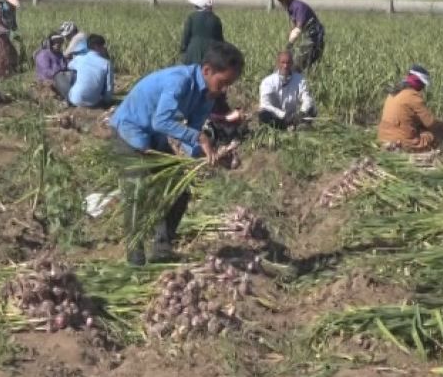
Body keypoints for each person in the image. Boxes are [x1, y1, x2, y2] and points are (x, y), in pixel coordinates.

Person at [109, 41, 245, 266]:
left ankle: (162, 247)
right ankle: (135, 257)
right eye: (222, 83)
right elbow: (161, 120)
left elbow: (193, 141)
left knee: (179, 191)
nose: (224, 90)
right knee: (137, 192)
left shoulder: (206, 97)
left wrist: (212, 157)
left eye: (229, 85)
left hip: (154, 136)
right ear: (207, 70)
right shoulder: (179, 81)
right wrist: (201, 138)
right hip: (130, 130)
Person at [377, 65, 443, 152]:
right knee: (432, 135)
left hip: (383, 137)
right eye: (422, 84)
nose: (423, 88)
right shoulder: (413, 96)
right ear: (418, 82)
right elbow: (430, 123)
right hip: (400, 141)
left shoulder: (393, 92)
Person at [258, 50, 317, 129]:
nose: (285, 66)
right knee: (263, 114)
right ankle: (285, 127)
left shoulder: (300, 79)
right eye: (283, 62)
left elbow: (307, 98)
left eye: (288, 63)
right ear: (278, 64)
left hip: (294, 116)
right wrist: (284, 115)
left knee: (311, 108)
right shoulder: (268, 82)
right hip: (277, 116)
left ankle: (297, 125)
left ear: (292, 64)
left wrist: (301, 113)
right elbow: (265, 104)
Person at [275, 0, 326, 73]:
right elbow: (295, 26)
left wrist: (290, 44)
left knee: (300, 62)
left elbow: (298, 27)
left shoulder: (298, 7)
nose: (281, 1)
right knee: (303, 62)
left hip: (314, 36)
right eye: (280, 0)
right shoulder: (290, 7)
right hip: (308, 36)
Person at [67, 34, 115, 108]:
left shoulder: (79, 58)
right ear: (97, 47)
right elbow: (109, 86)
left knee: (72, 72)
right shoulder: (106, 63)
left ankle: (72, 97)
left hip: (75, 100)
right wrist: (107, 101)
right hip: (93, 102)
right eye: (102, 46)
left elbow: (69, 65)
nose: (104, 48)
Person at [180, 0, 224, 65]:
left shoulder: (192, 17)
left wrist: (183, 51)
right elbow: (220, 40)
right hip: (211, 54)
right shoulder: (216, 19)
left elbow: (186, 36)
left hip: (193, 53)